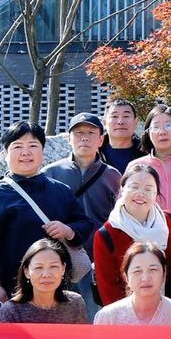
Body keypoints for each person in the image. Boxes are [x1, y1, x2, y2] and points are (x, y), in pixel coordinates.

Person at [0, 121, 93, 305]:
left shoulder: (61, 190)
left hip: (58, 289)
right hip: (12, 289)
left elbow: (84, 224)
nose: (25, 152)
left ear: (42, 151)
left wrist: (68, 230)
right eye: (17, 146)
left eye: (33, 146)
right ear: (5, 154)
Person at [43, 111, 119, 313]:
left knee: (94, 313)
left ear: (101, 139)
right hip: (59, 257)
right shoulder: (50, 173)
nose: (84, 137)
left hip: (97, 259)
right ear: (69, 139)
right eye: (78, 133)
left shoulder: (113, 176)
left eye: (91, 133)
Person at [92, 163, 171, 307]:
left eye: (148, 189)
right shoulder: (107, 234)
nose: (140, 193)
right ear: (122, 189)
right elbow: (107, 288)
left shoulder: (169, 223)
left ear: (156, 194)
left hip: (169, 308)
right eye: (134, 187)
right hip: (127, 312)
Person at [94, 242, 171, 326]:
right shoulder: (108, 317)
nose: (145, 278)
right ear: (126, 277)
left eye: (153, 270)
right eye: (137, 271)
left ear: (164, 274)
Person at [129, 104, 171, 217]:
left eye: (168, 125)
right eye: (155, 127)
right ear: (148, 133)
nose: (162, 131)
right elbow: (125, 206)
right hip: (145, 228)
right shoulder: (135, 167)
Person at [0, 237, 88, 324]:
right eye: (39, 267)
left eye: (53, 266)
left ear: (63, 269)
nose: (46, 274)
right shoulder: (12, 310)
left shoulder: (75, 303)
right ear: (26, 272)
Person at [101, 98, 141, 173]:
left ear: (136, 122)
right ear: (104, 123)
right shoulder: (93, 153)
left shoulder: (148, 153)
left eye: (126, 116)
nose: (120, 122)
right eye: (114, 116)